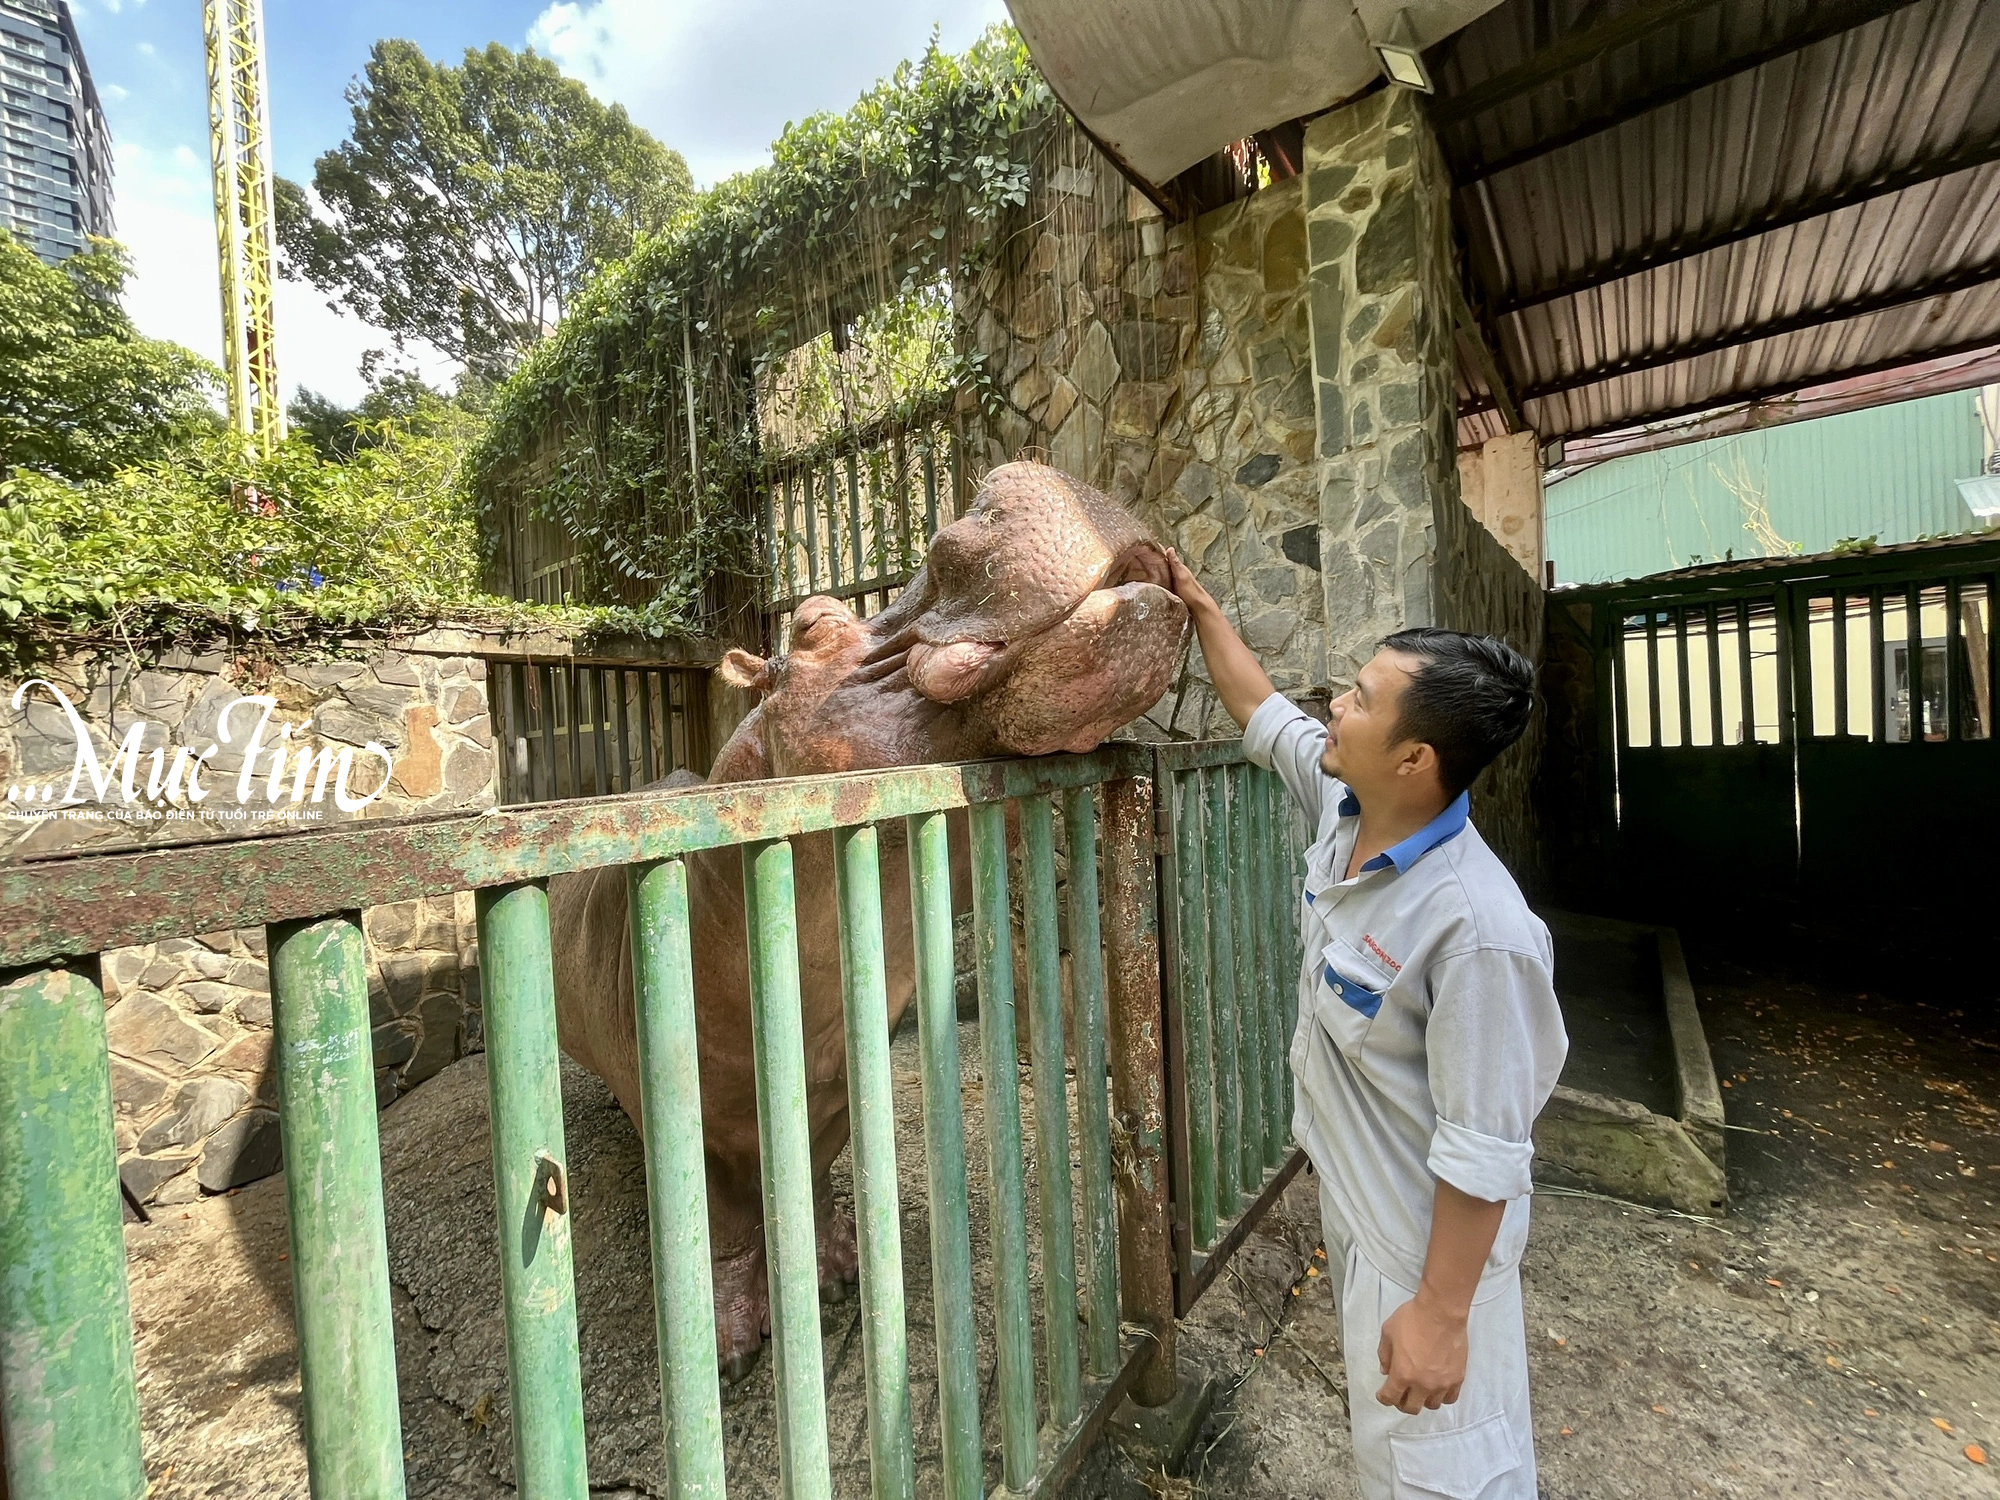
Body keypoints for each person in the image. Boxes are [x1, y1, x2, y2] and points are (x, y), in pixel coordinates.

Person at [1164, 550, 1566, 1500]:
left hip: (1421, 1248)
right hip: (1359, 1206)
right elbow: (1263, 716)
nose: (1333, 707)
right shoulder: (1350, 809)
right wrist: (1201, 606)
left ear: (1415, 757)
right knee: (1388, 1459)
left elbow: (1485, 1145)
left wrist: (1441, 1311)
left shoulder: (1479, 932)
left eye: (1359, 696)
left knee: (1443, 1471)